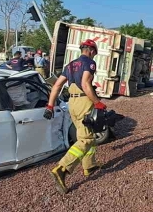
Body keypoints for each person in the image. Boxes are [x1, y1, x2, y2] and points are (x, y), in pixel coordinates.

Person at [44, 39, 107, 194]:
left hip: (72, 102)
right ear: (91, 51)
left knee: (86, 134)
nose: (94, 56)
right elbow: (86, 84)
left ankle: (89, 166)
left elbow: (57, 85)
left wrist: (50, 106)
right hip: (84, 101)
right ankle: (62, 169)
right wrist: (98, 103)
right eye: (94, 53)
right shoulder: (89, 63)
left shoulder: (70, 65)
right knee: (86, 139)